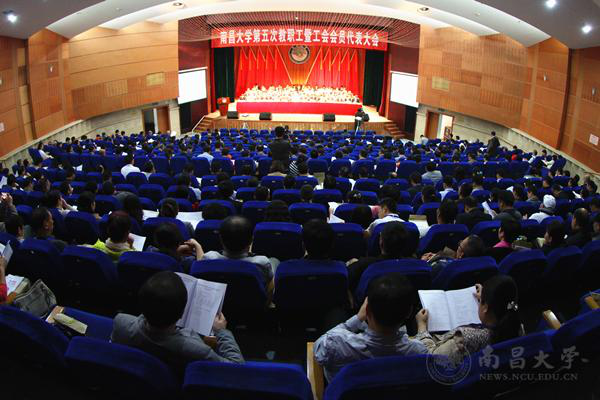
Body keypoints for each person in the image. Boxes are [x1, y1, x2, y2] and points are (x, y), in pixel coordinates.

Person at [111, 271, 244, 376]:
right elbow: (237, 369)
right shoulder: (197, 350)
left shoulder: (121, 323)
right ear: (182, 314)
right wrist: (221, 331)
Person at [314, 274, 427, 381]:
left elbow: (317, 349)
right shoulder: (418, 352)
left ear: (366, 310)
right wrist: (422, 326)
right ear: (409, 313)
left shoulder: (334, 344)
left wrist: (357, 318)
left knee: (336, 314)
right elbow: (426, 350)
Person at [415, 275, 521, 364]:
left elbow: (431, 359)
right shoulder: (516, 327)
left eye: (481, 301)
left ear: (486, 307)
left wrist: (422, 327)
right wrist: (487, 297)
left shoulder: (464, 339)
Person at [202, 216, 276, 286]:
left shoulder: (209, 258)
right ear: (251, 240)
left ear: (220, 239)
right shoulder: (261, 263)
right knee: (274, 260)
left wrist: (198, 246)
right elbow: (269, 288)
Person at [347, 222, 414, 293]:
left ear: (381, 241)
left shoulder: (364, 265)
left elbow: (346, 280)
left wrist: (352, 264)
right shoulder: (414, 265)